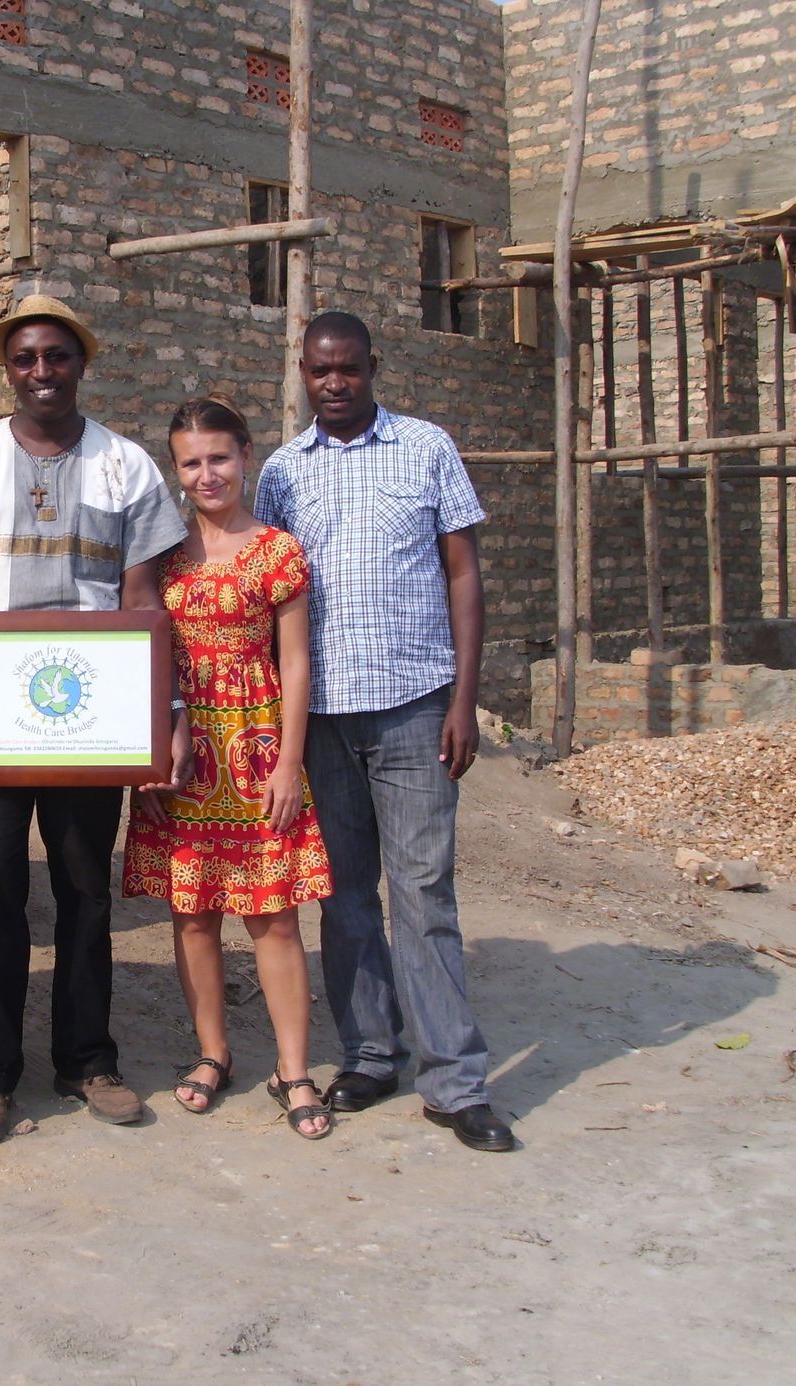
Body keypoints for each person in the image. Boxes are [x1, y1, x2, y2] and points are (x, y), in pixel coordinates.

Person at [0, 294, 189, 1142]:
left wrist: (163, 717)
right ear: (8, 368)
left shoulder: (127, 468)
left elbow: (147, 605)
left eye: (57, 357)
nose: (42, 372)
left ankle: (87, 1060)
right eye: (26, 358)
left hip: (91, 714)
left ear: (81, 363)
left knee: (82, 890)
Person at [253, 310, 513, 1153]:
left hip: (413, 706)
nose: (334, 383)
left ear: (374, 368)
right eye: (320, 371)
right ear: (302, 370)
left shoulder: (427, 448)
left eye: (350, 369)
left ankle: (455, 1081)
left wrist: (463, 700)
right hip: (321, 717)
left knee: (424, 893)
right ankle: (370, 1053)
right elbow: (272, 601)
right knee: (346, 895)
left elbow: (464, 575)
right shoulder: (282, 472)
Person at [121, 396, 335, 1140]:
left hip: (257, 753)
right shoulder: (163, 556)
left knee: (273, 917)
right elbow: (143, 662)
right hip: (183, 760)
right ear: (175, 471)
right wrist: (147, 758)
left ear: (246, 456)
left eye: (219, 457)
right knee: (192, 915)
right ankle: (213, 1053)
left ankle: (295, 1069)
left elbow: (298, 662)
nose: (206, 474)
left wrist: (289, 763)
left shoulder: (278, 551)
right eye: (191, 462)